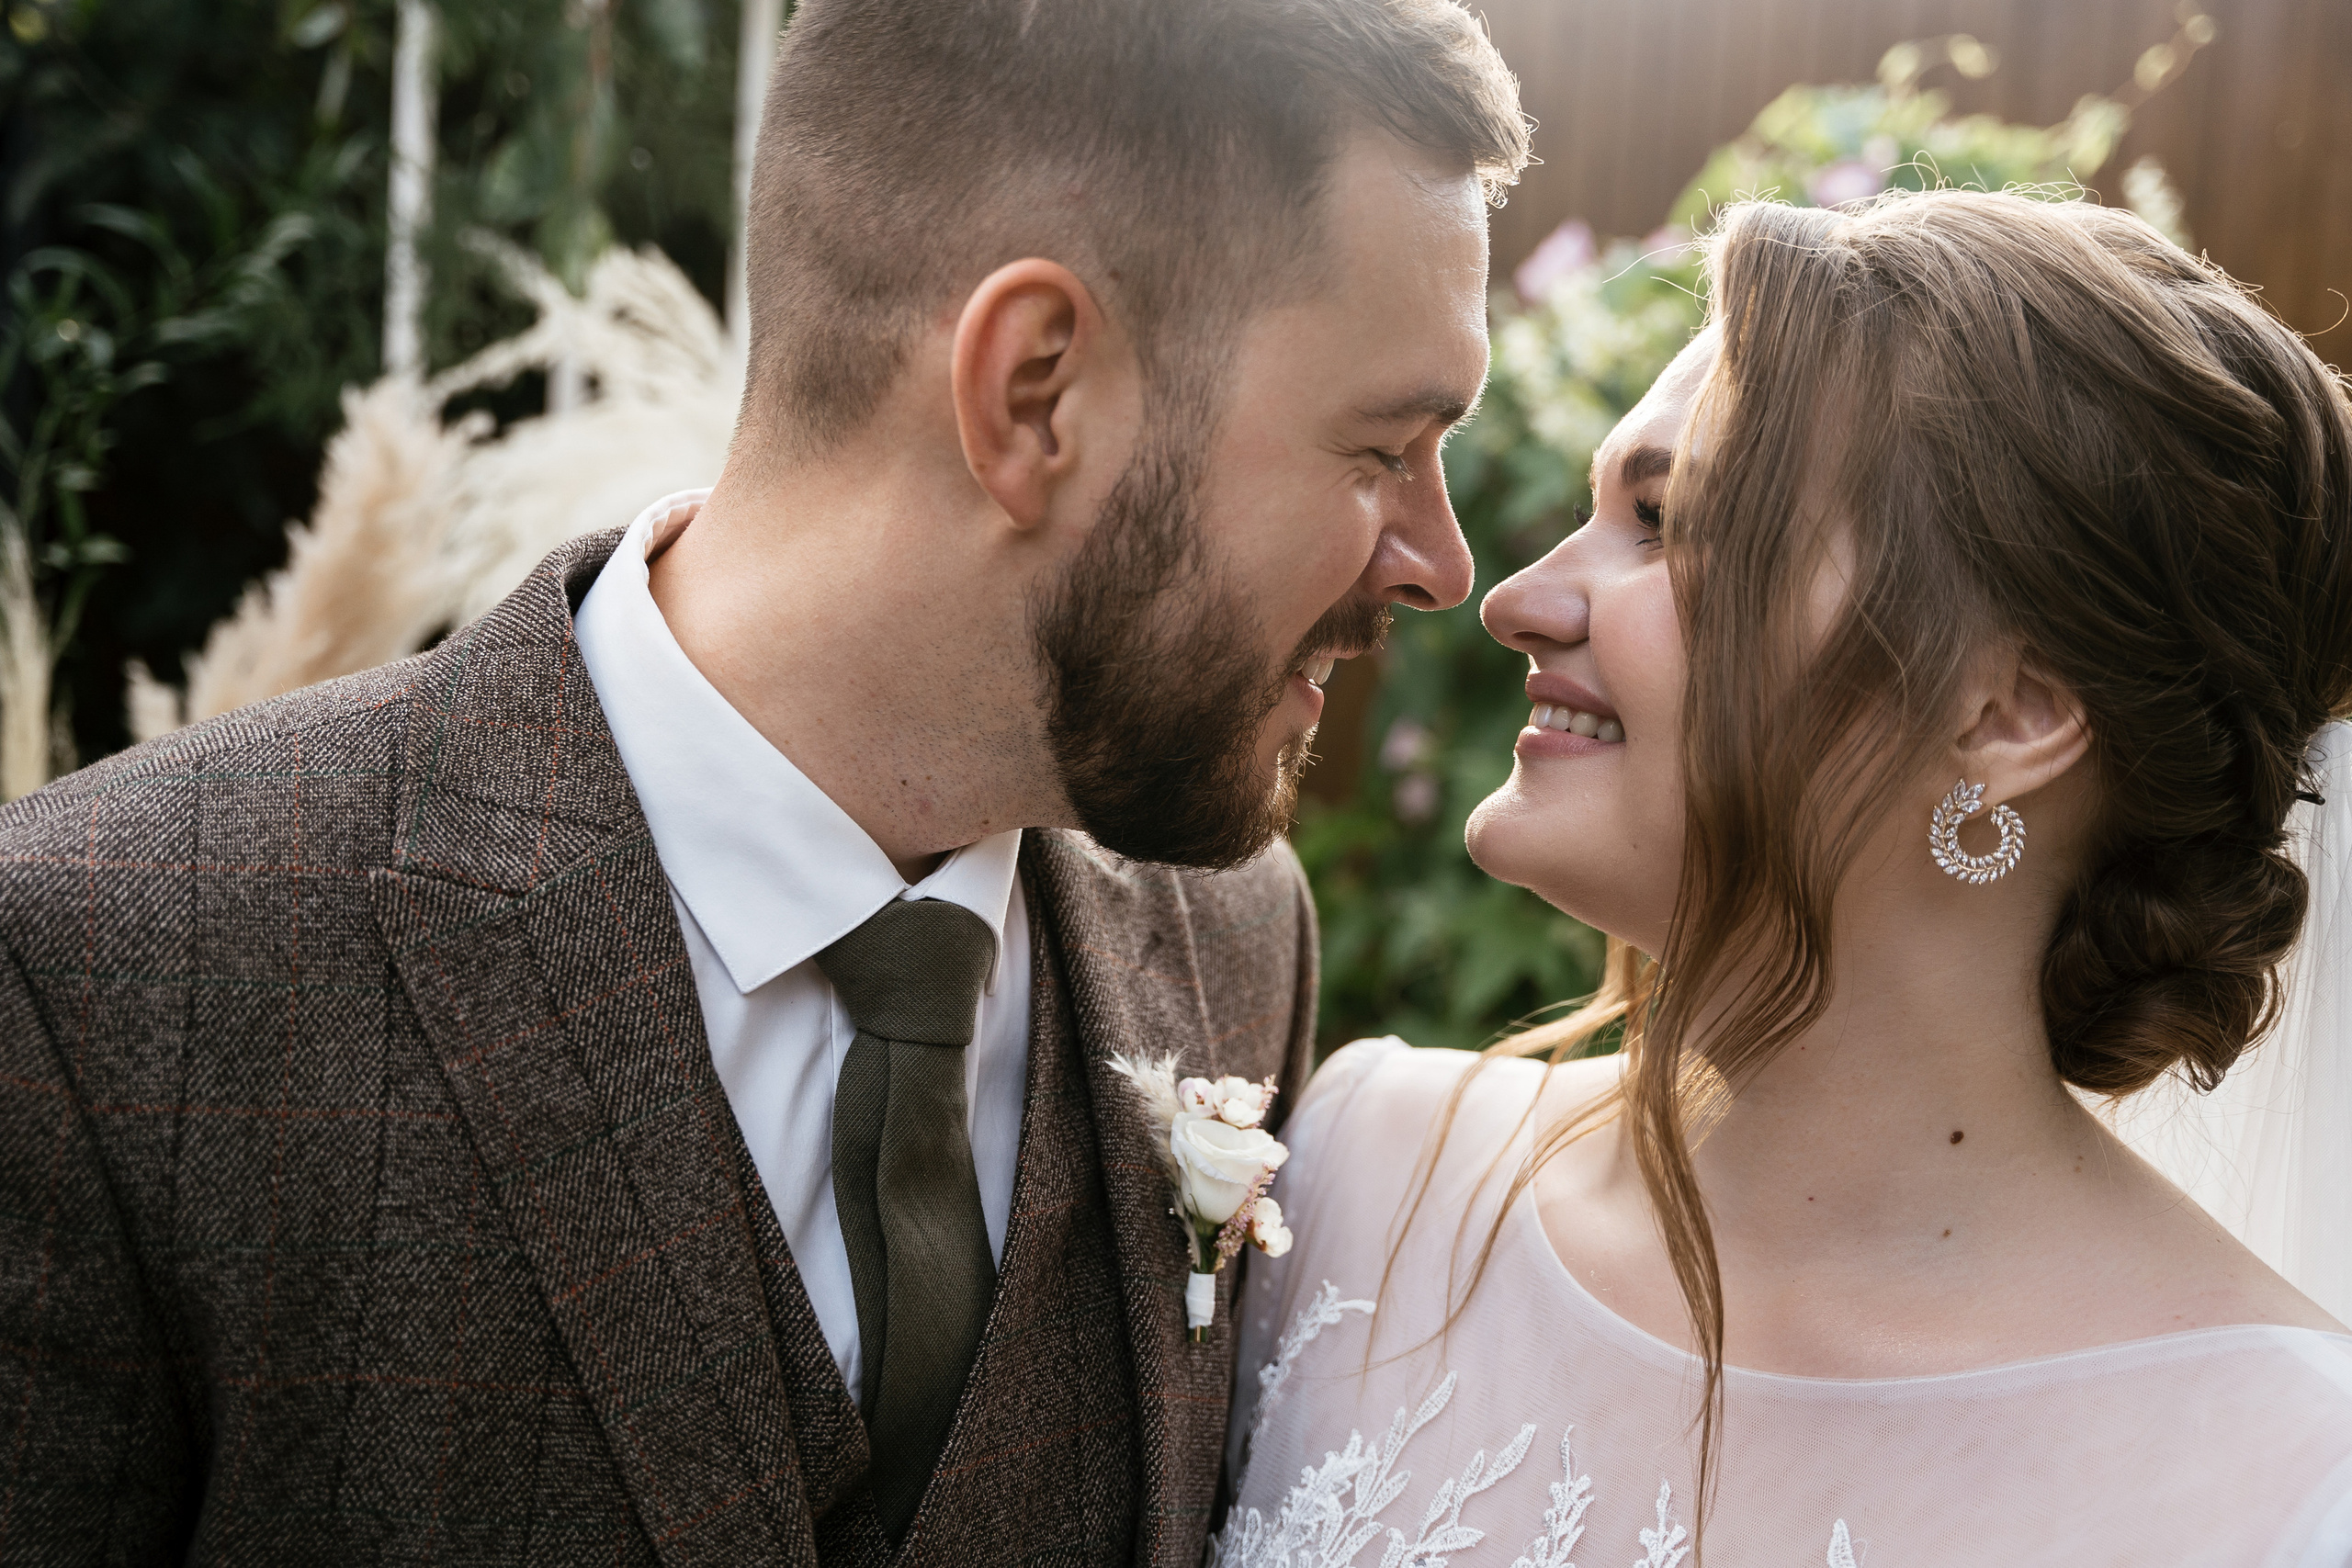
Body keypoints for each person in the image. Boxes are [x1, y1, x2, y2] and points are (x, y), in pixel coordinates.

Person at [0, 2, 1530, 1562]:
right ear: (1035, 393)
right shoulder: (97, 980)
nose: (1443, 562)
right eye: (1382, 447)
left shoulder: (1232, 940)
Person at [1217, 189, 2352, 1565]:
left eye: (1667, 522)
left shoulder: (2286, 1481)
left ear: (2006, 715)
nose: (1515, 597)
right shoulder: (1360, 1179)